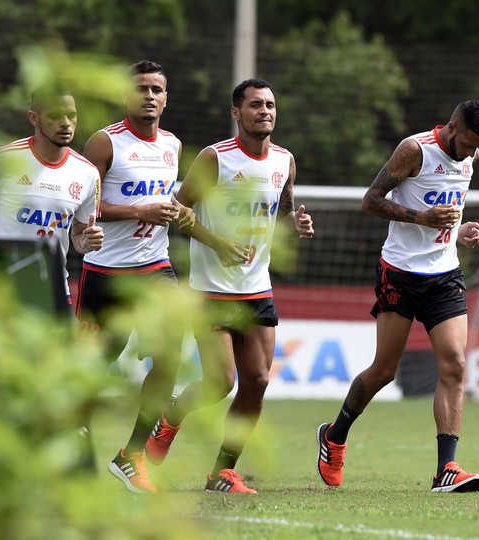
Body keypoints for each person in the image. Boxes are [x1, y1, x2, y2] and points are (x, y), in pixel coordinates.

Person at [144, 78, 314, 493]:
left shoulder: (285, 161)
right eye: (256, 105)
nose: (265, 112)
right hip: (212, 290)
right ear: (237, 113)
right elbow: (178, 211)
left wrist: (296, 224)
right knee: (221, 382)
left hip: (258, 289)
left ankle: (222, 470)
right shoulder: (215, 159)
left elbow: (284, 206)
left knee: (256, 382)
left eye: (271, 105)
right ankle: (170, 417)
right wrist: (218, 243)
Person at [316, 100, 479, 493]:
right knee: (384, 370)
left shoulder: (470, 153)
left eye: (478, 146)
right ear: (451, 127)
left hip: (445, 275)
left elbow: (449, 200)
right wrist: (420, 219)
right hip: (399, 273)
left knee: (455, 365)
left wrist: (457, 231)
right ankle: (334, 436)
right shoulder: (414, 150)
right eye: (467, 143)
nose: (471, 152)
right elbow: (370, 200)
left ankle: (446, 468)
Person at [75, 60, 194, 494]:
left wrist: (176, 213)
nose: (149, 96)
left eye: (157, 89)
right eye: (141, 88)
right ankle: (74, 430)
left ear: (166, 97)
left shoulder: (173, 145)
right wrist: (137, 211)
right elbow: (84, 207)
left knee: (170, 358)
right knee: (94, 365)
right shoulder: (105, 142)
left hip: (156, 268)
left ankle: (131, 454)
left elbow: (166, 202)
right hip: (105, 272)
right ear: (127, 96)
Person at [0, 84, 104, 308]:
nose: (66, 123)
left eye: (71, 115)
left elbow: (79, 236)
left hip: (53, 288)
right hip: (2, 288)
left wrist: (87, 241)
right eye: (55, 116)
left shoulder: (88, 173)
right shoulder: (4, 159)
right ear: (34, 118)